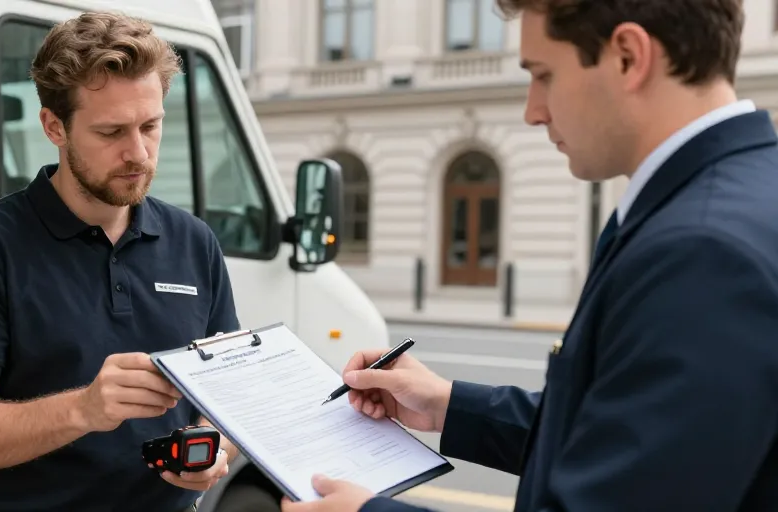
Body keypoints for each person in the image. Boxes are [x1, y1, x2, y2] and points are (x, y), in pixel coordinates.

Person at [282, 0, 778, 511]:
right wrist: (448, 407)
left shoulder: (703, 251)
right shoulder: (731, 199)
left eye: (543, 75)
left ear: (629, 57)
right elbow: (626, 433)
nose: (532, 111)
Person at [0, 11, 238, 512]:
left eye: (150, 126)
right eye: (111, 132)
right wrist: (84, 409)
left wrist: (213, 446)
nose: (139, 153)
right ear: (54, 127)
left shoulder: (195, 242)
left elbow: (230, 397)